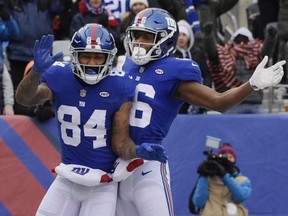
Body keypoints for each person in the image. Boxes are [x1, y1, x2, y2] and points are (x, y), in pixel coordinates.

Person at [113, 8, 285, 216]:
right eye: (137, 35)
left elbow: (218, 102)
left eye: (148, 36)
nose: (139, 42)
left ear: (166, 40)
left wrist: (252, 85)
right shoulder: (125, 65)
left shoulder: (174, 72)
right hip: (116, 163)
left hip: (147, 165)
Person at [15, 23, 167, 216]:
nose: (92, 63)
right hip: (66, 178)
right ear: (75, 56)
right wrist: (36, 72)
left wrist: (137, 150)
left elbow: (120, 143)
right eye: (86, 55)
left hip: (102, 183)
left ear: (109, 57)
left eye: (98, 56)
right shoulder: (59, 75)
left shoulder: (119, 86)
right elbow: (24, 99)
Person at [204, 26, 278, 114]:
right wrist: (208, 36)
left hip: (255, 104)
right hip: (232, 105)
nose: (242, 44)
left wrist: (271, 37)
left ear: (250, 42)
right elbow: (212, 53)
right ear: (233, 42)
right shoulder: (224, 55)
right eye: (238, 41)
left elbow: (266, 53)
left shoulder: (256, 54)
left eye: (245, 41)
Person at [190, 143, 251, 215]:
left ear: (234, 160)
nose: (227, 159)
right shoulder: (209, 179)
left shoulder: (243, 180)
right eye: (224, 157)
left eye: (230, 157)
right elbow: (199, 202)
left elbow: (240, 196)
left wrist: (224, 175)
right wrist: (203, 175)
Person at [174, 19, 211, 114]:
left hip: (196, 96)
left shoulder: (197, 53)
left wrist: (205, 93)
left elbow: (206, 75)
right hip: (177, 98)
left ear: (189, 37)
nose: (181, 38)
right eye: (178, 35)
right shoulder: (171, 55)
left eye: (184, 35)